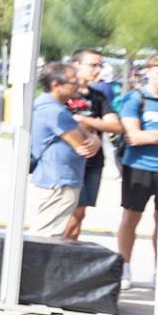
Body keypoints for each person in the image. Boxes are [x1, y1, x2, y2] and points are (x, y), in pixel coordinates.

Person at [28, 61, 97, 237]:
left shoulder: (49, 107)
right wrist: (94, 137)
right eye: (73, 82)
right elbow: (84, 146)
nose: (78, 85)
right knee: (46, 236)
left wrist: (87, 131)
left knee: (45, 233)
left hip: (54, 179)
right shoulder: (54, 111)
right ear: (55, 85)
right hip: (59, 182)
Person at [116, 52, 158, 287]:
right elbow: (134, 136)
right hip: (138, 166)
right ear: (148, 72)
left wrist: (151, 136)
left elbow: (144, 135)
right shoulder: (136, 98)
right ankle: (124, 267)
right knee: (131, 218)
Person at [62, 48, 123, 241]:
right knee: (68, 213)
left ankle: (69, 257)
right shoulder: (64, 95)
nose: (98, 70)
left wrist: (85, 121)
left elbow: (115, 125)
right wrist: (90, 125)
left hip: (93, 161)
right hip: (69, 160)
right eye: (93, 65)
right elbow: (61, 121)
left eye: (100, 65)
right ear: (76, 65)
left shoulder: (98, 96)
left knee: (80, 214)